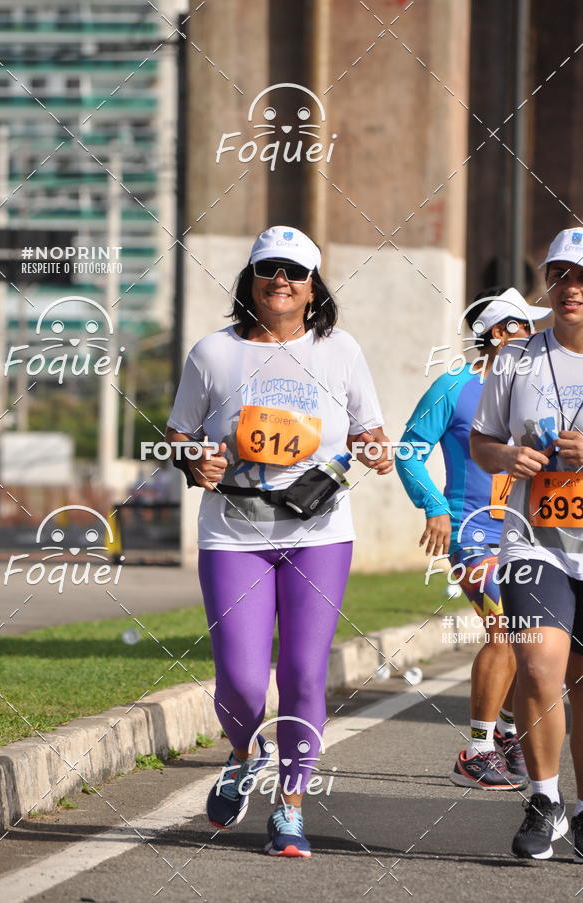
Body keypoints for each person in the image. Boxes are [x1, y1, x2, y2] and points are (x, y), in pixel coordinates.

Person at [165, 225, 393, 858]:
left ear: (313, 285)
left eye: (295, 272)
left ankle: (289, 806)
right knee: (239, 682)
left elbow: (372, 428)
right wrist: (194, 461)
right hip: (232, 535)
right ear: (251, 282)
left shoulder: (340, 350)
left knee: (301, 674)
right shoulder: (213, 353)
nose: (281, 282)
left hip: (319, 533)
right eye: (269, 271)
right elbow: (179, 433)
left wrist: (376, 450)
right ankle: (244, 753)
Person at [397, 287, 550, 790]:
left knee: (532, 643)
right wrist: (435, 509)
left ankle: (505, 732)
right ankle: (477, 750)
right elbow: (408, 451)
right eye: (526, 328)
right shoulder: (453, 386)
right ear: (500, 335)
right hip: (471, 533)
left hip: (528, 536)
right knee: (503, 628)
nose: (535, 338)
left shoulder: (535, 390)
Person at [471, 227, 583, 860]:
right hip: (531, 542)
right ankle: (544, 800)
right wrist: (509, 455)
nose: (573, 289)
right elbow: (481, 440)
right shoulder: (515, 358)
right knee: (540, 666)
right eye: (562, 274)